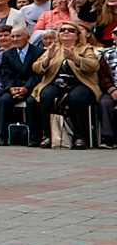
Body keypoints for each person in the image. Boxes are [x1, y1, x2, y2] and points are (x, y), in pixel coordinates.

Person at [32, 19, 100, 149]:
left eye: (70, 30)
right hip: (57, 84)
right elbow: (36, 68)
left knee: (77, 98)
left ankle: (80, 137)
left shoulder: (85, 49)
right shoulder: (54, 49)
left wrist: (75, 58)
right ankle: (48, 135)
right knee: (46, 95)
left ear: (77, 35)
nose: (66, 32)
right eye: (63, 30)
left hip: (80, 83)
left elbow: (94, 66)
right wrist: (48, 59)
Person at [0, 27, 39, 145]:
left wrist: (26, 88)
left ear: (27, 37)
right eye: (13, 36)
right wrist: (11, 88)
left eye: (18, 36)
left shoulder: (38, 52)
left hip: (31, 88)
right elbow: (6, 74)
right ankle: (2, 136)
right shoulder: (8, 54)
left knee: (33, 102)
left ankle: (34, 137)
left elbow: (37, 75)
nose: (15, 39)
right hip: (14, 87)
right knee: (3, 100)